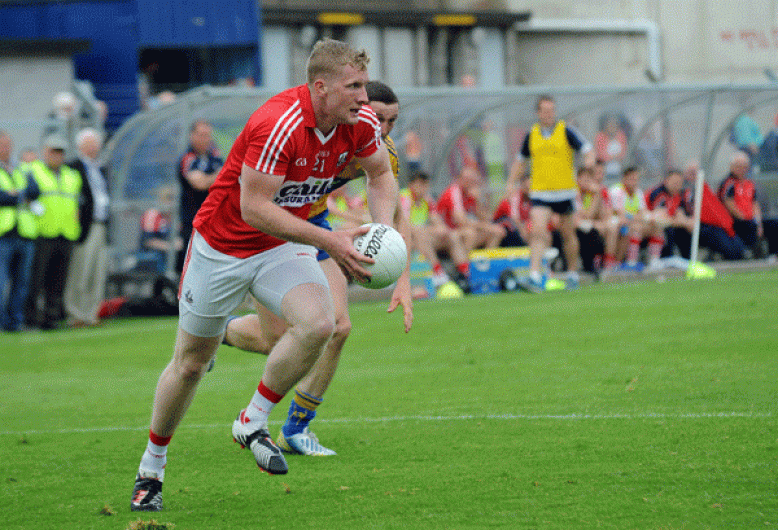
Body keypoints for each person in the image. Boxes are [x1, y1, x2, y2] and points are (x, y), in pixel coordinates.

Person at [130, 39, 405, 512]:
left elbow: (380, 175)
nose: (364, 98)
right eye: (353, 86)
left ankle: (252, 421)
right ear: (320, 87)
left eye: (365, 85)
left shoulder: (359, 124)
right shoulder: (279, 124)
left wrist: (380, 233)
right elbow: (252, 208)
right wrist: (331, 240)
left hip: (282, 243)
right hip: (223, 247)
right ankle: (151, 469)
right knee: (190, 364)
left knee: (322, 324)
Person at [221, 80, 413, 458]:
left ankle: (297, 427)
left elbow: (397, 210)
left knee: (338, 326)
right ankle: (218, 333)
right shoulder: (306, 131)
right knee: (277, 340)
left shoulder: (379, 148)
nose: (386, 129)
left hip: (317, 230)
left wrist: (401, 279)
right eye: (379, 117)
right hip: (271, 229)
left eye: (393, 121)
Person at [507, 94, 595, 291]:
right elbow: (520, 161)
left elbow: (587, 149)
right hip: (541, 193)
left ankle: (572, 273)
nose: (548, 114)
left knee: (568, 235)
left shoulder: (566, 131)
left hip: (564, 192)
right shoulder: (532, 135)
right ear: (538, 113)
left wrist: (589, 160)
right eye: (544, 111)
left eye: (551, 110)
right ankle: (535, 275)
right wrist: (511, 183)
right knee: (538, 231)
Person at [24, 136, 82, 330]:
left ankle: (52, 317)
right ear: (45, 152)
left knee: (58, 280)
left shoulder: (72, 175)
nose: (57, 156)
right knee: (37, 279)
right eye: (53, 151)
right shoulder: (33, 171)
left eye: (60, 152)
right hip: (43, 231)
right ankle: (31, 318)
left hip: (66, 233)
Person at [63, 128, 111, 327]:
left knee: (97, 271)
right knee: (81, 270)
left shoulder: (101, 168)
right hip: (85, 226)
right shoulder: (73, 167)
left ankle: (92, 312)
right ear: (80, 146)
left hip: (102, 223)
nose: (93, 147)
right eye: (89, 143)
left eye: (95, 142)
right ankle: (76, 313)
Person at [400, 171, 471, 287]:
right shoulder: (404, 197)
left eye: (425, 185)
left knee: (452, 235)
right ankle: (438, 272)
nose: (423, 188)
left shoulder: (427, 200)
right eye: (420, 184)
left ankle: (465, 273)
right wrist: (433, 230)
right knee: (419, 233)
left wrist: (442, 230)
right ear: (411, 185)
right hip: (405, 239)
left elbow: (438, 222)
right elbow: (406, 225)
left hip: (422, 237)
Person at [0, 131, 41, 332]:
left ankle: (16, 321)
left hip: (24, 232)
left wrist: (14, 195)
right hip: (3, 234)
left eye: (7, 145)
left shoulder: (21, 168)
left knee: (21, 283)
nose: (5, 149)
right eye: (1, 145)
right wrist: (16, 196)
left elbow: (34, 191)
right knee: (1, 282)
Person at [175, 119, 223, 274]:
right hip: (193, 221)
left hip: (214, 221)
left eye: (208, 135)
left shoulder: (214, 156)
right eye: (201, 135)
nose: (205, 139)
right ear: (192, 136)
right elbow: (200, 183)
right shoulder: (188, 158)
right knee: (192, 265)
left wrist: (213, 178)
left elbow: (229, 178)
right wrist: (217, 177)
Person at [436, 164, 505, 254]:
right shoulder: (454, 192)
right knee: (470, 233)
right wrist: (485, 227)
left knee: (498, 231)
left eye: (472, 180)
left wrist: (478, 201)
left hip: (460, 231)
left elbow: (487, 219)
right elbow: (461, 222)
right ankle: (464, 265)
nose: (470, 182)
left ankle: (486, 263)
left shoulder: (470, 194)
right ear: (459, 179)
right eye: (467, 180)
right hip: (447, 233)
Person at [681, 163, 745, 261]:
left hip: (716, 223)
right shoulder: (685, 189)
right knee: (721, 240)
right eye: (691, 173)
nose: (694, 175)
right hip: (698, 225)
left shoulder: (704, 186)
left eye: (696, 173)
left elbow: (713, 205)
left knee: (737, 244)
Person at [608, 166, 665, 270]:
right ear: (624, 179)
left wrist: (652, 216)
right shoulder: (616, 191)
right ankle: (630, 261)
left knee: (656, 228)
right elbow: (621, 214)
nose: (634, 182)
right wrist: (638, 217)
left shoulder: (638, 192)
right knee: (635, 229)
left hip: (633, 222)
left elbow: (643, 212)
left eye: (636, 179)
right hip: (620, 224)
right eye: (631, 179)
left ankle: (654, 261)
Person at [717, 152, 764, 257]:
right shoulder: (728, 183)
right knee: (749, 225)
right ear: (732, 167)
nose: (741, 169)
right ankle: (748, 253)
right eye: (738, 166)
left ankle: (772, 256)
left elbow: (754, 204)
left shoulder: (750, 183)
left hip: (750, 218)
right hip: (733, 220)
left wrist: (758, 222)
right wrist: (745, 217)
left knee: (772, 224)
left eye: (744, 166)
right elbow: (729, 204)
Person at [645, 168, 695, 259]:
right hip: (651, 225)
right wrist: (682, 221)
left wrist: (686, 222)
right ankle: (666, 260)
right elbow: (661, 218)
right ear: (666, 181)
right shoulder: (658, 193)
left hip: (671, 223)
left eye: (679, 182)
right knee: (668, 230)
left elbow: (681, 214)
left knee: (685, 231)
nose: (677, 185)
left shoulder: (680, 194)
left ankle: (688, 261)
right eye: (674, 182)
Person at [574, 167, 616, 274]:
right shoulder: (575, 192)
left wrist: (597, 196)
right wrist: (597, 195)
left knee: (611, 228)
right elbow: (586, 216)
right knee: (597, 230)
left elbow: (604, 215)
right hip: (577, 227)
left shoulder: (594, 192)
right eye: (584, 180)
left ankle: (608, 263)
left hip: (590, 224)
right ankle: (594, 262)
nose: (587, 183)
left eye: (589, 180)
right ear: (577, 179)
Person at [136, 187, 182, 274]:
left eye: (173, 199)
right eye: (168, 198)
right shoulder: (152, 215)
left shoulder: (179, 217)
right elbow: (148, 241)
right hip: (152, 255)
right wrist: (170, 246)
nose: (171, 202)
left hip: (174, 255)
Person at [492, 173, 531, 248]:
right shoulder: (514, 197)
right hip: (503, 225)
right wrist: (524, 231)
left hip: (515, 226)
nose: (529, 190)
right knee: (511, 227)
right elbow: (514, 218)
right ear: (522, 185)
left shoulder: (531, 198)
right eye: (527, 188)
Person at [595, 116, 628, 182]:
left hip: (619, 169)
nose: (612, 127)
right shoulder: (600, 137)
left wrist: (618, 157)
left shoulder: (621, 136)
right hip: (605, 169)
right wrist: (612, 157)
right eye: (610, 125)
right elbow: (600, 154)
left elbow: (624, 152)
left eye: (614, 125)